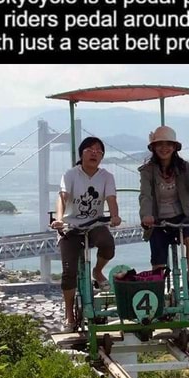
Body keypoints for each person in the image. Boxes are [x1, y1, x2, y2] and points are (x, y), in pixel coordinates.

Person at [50, 136, 121, 332]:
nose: (94, 153)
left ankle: (97, 271)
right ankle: (69, 315)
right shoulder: (71, 174)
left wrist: (115, 216)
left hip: (94, 224)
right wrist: (59, 219)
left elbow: (111, 199)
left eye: (99, 151)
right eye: (89, 149)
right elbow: (62, 198)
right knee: (68, 272)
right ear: (81, 154)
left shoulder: (106, 176)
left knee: (107, 243)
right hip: (70, 227)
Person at [139, 125, 189, 291]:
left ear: (175, 147)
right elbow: (145, 195)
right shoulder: (147, 170)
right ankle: (158, 294)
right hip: (158, 220)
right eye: (160, 144)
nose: (164, 148)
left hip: (183, 216)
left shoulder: (184, 167)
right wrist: (146, 215)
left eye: (169, 144)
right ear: (154, 147)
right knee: (158, 262)